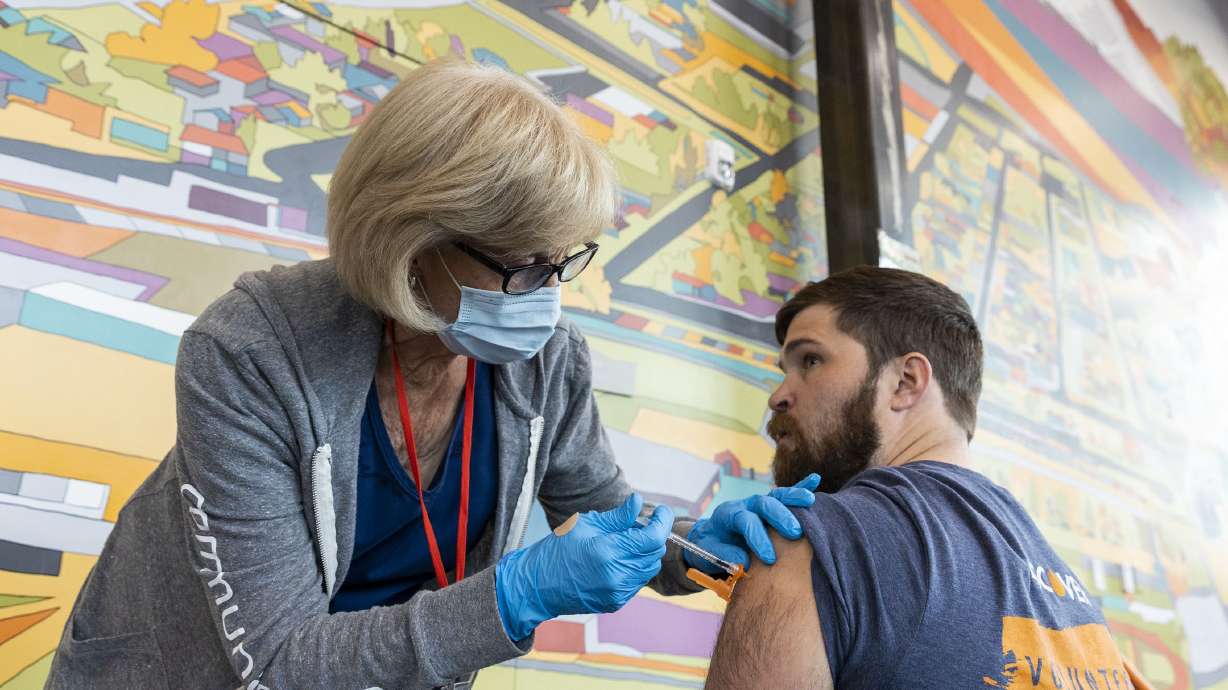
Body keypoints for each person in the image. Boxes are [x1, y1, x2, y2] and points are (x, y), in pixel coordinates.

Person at [47, 60, 816, 690]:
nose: (547, 299)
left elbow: (611, 519)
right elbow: (281, 663)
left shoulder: (546, 364)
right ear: (412, 239)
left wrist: (707, 557)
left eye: (563, 265)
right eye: (522, 267)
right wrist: (514, 596)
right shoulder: (252, 352)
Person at [704, 266, 1148, 690]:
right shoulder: (1074, 608)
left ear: (906, 381)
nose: (778, 395)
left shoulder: (810, 540)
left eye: (812, 360)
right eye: (786, 371)